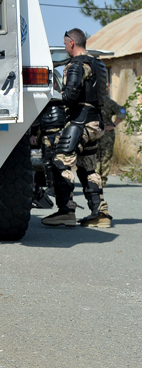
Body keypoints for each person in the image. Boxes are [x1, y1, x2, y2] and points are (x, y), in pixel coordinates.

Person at [42, 28, 112, 228]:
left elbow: (70, 96)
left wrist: (53, 95)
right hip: (95, 122)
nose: (65, 48)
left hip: (80, 122)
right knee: (87, 167)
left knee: (59, 162)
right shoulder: (98, 64)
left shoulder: (76, 65)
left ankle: (66, 212)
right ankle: (100, 214)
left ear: (72, 43)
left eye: (65, 45)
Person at [98, 95, 126, 187]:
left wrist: (113, 125)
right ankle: (94, 179)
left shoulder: (108, 102)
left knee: (106, 156)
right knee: (93, 156)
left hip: (106, 134)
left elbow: (122, 111)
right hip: (93, 133)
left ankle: (102, 180)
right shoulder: (88, 101)